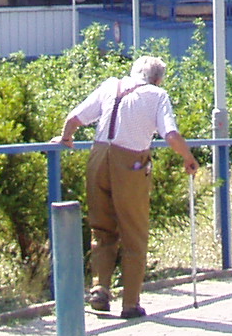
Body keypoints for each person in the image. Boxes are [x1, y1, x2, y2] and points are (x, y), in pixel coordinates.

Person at [57, 55, 200, 319]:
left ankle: (100, 288)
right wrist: (188, 158)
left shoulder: (111, 85)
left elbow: (74, 118)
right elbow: (170, 134)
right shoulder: (157, 95)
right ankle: (130, 303)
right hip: (131, 162)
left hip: (98, 158)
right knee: (134, 231)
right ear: (157, 79)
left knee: (101, 228)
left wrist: (66, 138)